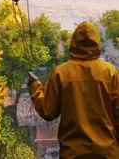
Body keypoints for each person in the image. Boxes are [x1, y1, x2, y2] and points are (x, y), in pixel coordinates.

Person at [28, 22, 119, 159]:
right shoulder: (110, 72)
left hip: (72, 154)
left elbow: (47, 111)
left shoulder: (61, 73)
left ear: (74, 43)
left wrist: (35, 86)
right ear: (97, 43)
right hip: (107, 153)